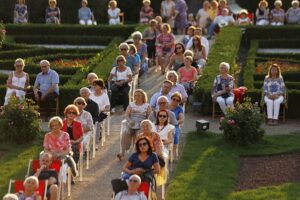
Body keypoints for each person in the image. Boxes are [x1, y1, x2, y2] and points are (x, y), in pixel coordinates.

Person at [117, 89, 152, 161]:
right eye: (135, 95)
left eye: (138, 95)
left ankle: (134, 154)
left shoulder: (147, 106)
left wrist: (144, 124)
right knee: (125, 132)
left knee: (139, 135)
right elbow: (126, 115)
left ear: (143, 96)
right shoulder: (131, 105)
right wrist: (130, 121)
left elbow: (149, 117)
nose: (136, 97)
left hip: (141, 124)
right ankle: (122, 152)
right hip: (131, 122)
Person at [43, 117, 78, 181]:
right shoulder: (47, 136)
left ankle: (71, 173)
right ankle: (44, 177)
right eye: (52, 125)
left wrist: (58, 154)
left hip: (62, 154)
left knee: (66, 159)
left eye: (56, 125)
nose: (54, 127)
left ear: (60, 125)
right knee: (42, 156)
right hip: (50, 156)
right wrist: (51, 155)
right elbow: (45, 149)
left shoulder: (65, 135)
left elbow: (67, 150)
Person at [89, 79, 110, 147]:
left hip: (100, 114)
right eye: (93, 85)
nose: (94, 87)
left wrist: (101, 110)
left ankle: (96, 143)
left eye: (96, 85)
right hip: (90, 113)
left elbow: (108, 107)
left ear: (100, 86)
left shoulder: (104, 95)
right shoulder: (90, 95)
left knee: (96, 124)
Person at [169, 92, 184, 159]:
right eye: (174, 99)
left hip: (175, 125)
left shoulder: (180, 109)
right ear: (171, 98)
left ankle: (175, 153)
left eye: (177, 100)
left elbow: (182, 119)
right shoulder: (166, 106)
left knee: (175, 134)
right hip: (165, 124)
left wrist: (174, 122)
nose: (175, 101)